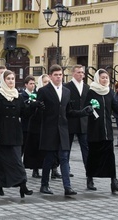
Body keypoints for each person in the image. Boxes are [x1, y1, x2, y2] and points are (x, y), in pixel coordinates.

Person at [36, 65, 92, 196]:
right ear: (50, 76)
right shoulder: (44, 91)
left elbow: (69, 112)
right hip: (49, 130)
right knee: (49, 159)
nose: (58, 77)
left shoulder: (66, 91)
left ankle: (67, 187)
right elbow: (37, 112)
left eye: (60, 75)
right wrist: (39, 108)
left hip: (63, 130)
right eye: (55, 75)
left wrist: (83, 112)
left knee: (64, 158)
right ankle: (44, 184)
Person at [85, 69, 118, 192]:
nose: (105, 79)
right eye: (102, 77)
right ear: (97, 78)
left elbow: (117, 109)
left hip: (107, 130)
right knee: (93, 156)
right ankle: (90, 178)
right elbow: (85, 109)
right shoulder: (91, 92)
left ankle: (114, 181)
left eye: (107, 77)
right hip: (94, 130)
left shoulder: (109, 92)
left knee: (110, 157)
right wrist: (89, 110)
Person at [0, 70, 33, 197]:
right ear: (3, 80)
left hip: (15, 133)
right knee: (1, 161)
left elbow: (24, 113)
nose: (11, 81)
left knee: (17, 160)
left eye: (13, 78)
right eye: (8, 79)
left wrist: (34, 107)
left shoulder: (18, 96)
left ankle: (22, 185)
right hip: (2, 133)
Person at [64, 65, 89, 187]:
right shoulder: (67, 87)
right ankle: (65, 171)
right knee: (66, 149)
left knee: (86, 150)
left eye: (82, 73)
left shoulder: (87, 88)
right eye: (78, 72)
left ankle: (89, 176)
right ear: (73, 73)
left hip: (83, 123)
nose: (81, 74)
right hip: (70, 121)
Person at [23, 74, 49, 179]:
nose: (47, 84)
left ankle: (52, 168)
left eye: (48, 81)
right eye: (45, 82)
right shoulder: (38, 93)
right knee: (35, 147)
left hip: (46, 124)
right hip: (35, 124)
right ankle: (35, 169)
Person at [20, 75, 36, 156]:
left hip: (34, 123)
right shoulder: (22, 96)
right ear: (26, 85)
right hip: (25, 124)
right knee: (23, 145)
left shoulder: (36, 94)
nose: (33, 85)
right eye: (31, 84)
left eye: (34, 83)